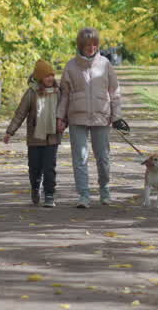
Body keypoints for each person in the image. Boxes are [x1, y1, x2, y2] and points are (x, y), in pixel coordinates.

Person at [56, 27, 122, 208]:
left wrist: (116, 116)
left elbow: (114, 92)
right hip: (77, 117)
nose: (91, 47)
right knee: (80, 158)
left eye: (94, 44)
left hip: (101, 116)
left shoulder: (105, 64)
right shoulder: (71, 66)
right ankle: (83, 195)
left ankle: (104, 190)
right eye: (87, 45)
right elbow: (64, 95)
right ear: (80, 45)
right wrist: (60, 117)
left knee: (103, 157)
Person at [4, 59, 62, 207]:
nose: (50, 78)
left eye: (51, 75)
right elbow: (20, 114)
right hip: (35, 138)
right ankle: (35, 188)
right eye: (46, 76)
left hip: (52, 138)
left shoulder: (58, 92)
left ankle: (49, 195)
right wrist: (10, 131)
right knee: (35, 168)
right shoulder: (31, 93)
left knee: (50, 168)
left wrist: (64, 123)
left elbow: (65, 112)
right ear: (39, 78)